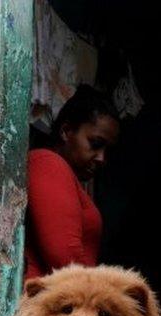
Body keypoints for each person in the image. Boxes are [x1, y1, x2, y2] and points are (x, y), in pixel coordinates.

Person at [24, 85, 120, 281]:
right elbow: (66, 259)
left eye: (107, 151)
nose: (102, 158)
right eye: (95, 143)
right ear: (66, 131)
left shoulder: (66, 176)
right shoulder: (48, 163)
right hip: (52, 303)